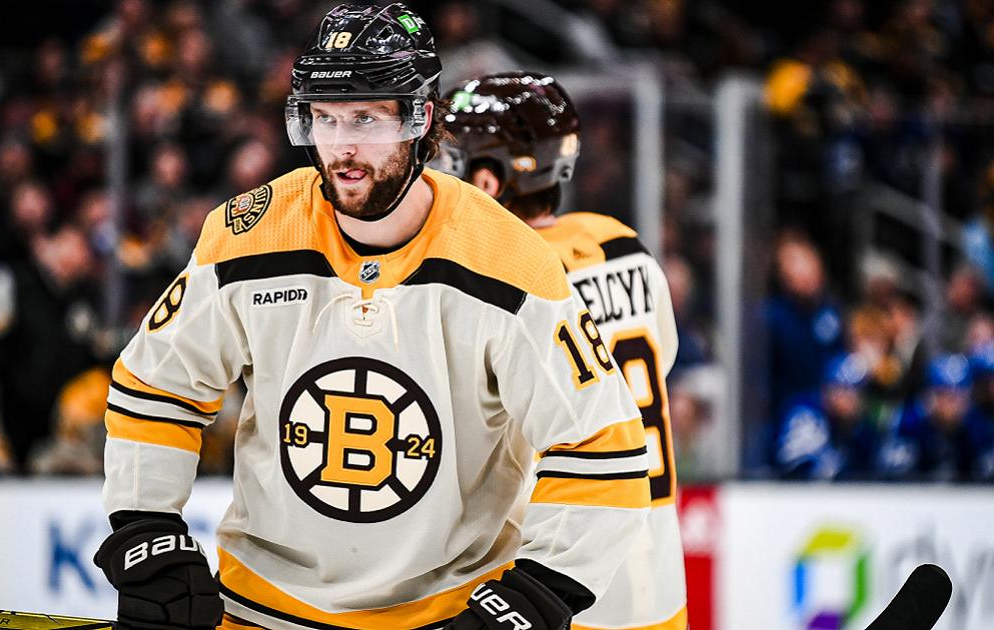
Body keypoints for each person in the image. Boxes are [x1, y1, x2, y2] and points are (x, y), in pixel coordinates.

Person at [94, 6, 650, 630]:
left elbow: (602, 444)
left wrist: (534, 598)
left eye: (366, 118)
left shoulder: (511, 263)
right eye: (325, 118)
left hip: (445, 616)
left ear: (422, 119)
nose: (342, 147)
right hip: (259, 611)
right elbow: (157, 384)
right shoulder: (247, 235)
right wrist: (147, 529)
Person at [437, 72, 687, 630]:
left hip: (562, 572)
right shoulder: (621, 244)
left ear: (488, 179)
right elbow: (659, 361)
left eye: (453, 162)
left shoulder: (500, 275)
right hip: (659, 571)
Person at [879, 354, 994, 482]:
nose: (952, 404)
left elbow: (986, 472)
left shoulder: (978, 426)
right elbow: (892, 476)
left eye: (958, 395)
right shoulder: (910, 424)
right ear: (929, 395)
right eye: (943, 394)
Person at [773, 353, 880, 480]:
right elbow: (798, 472)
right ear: (826, 390)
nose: (849, 398)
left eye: (857, 391)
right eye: (841, 389)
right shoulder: (804, 414)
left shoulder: (862, 429)